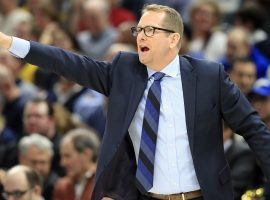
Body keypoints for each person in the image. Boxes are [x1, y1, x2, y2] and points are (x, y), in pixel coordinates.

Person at [1, 3, 270, 200]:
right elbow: (69, 63)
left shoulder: (209, 76)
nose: (140, 36)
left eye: (150, 30)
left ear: (173, 39)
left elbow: (252, 127)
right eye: (138, 29)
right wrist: (11, 42)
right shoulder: (123, 71)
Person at [53, 128, 100, 200]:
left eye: (67, 156)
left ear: (86, 154)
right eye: (62, 156)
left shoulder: (104, 183)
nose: (62, 163)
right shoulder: (61, 187)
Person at [18, 134, 58, 200]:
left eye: (43, 162)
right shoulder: (9, 182)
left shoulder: (57, 187)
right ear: (22, 159)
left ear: (50, 161)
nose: (38, 168)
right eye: (33, 162)